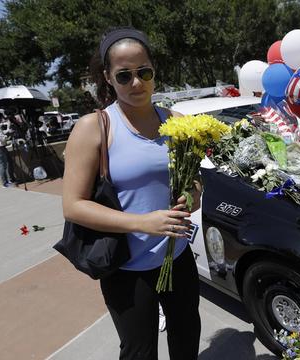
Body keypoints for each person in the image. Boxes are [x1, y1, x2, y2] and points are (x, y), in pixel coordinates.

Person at [62, 27, 201, 360]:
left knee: (186, 340)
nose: (136, 83)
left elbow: (195, 182)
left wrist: (192, 196)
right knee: (139, 352)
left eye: (144, 72)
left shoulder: (177, 122)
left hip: (177, 257)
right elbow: (73, 206)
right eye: (124, 76)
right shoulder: (93, 127)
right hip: (126, 269)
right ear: (108, 78)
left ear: (154, 71)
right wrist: (143, 222)